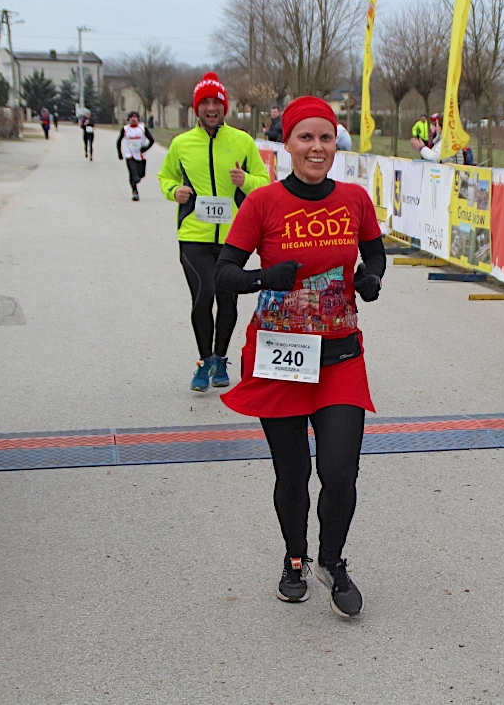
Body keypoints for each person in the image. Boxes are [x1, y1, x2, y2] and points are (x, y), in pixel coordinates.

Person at [215, 96, 385, 618]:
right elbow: (224, 273)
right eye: (305, 137)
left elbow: (374, 251)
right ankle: (295, 559)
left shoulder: (354, 199)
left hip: (339, 355)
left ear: (336, 144)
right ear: (286, 144)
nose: (317, 147)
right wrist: (264, 277)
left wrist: (371, 277)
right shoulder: (263, 202)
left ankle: (332, 561)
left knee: (340, 470)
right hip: (282, 357)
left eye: (325, 137)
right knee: (292, 475)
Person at [157, 72, 270, 391]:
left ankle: (220, 359)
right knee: (204, 293)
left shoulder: (242, 141)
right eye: (204, 103)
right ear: (196, 108)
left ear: (224, 107)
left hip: (234, 239)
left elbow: (264, 182)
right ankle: (203, 360)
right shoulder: (181, 144)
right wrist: (174, 191)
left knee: (228, 300)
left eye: (216, 102)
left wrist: (245, 181)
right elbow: (165, 177)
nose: (211, 108)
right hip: (193, 236)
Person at [116, 111, 155, 200]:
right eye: (131, 118)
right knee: (133, 174)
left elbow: (152, 140)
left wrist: (145, 148)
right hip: (130, 155)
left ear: (138, 119)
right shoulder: (125, 129)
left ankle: (136, 180)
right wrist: (119, 153)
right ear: (128, 120)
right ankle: (135, 192)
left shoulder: (142, 128)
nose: (133, 119)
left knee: (141, 175)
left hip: (141, 156)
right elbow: (118, 141)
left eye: (135, 117)